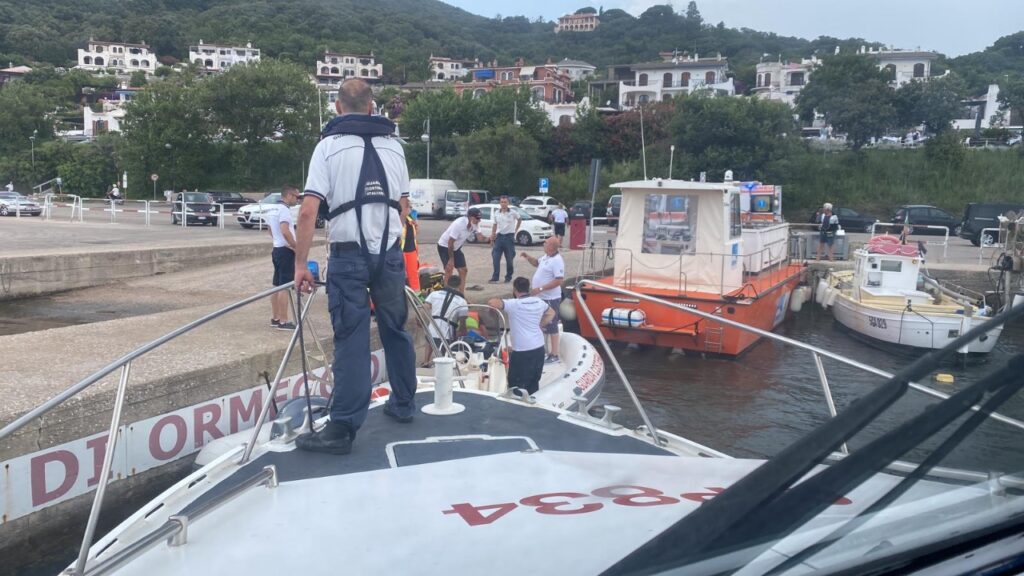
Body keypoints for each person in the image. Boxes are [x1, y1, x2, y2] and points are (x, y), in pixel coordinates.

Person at [292, 78, 417, 455]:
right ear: (372, 107)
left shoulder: (328, 147)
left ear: (337, 107)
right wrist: (387, 234)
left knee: (351, 338)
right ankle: (404, 404)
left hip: (348, 257)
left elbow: (308, 211)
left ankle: (342, 428)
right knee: (396, 329)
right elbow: (404, 205)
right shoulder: (395, 147)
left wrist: (300, 264)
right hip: (390, 255)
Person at [488, 277, 554, 394]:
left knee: (516, 386)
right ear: (528, 288)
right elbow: (551, 313)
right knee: (533, 383)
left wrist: (496, 304)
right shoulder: (539, 302)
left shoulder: (513, 304)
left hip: (522, 353)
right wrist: (540, 325)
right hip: (539, 348)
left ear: (514, 289)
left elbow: (492, 303)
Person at [521, 236, 565, 364]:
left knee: (552, 325)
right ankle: (544, 351)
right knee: (541, 324)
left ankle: (554, 354)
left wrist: (541, 288)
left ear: (551, 246)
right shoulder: (546, 257)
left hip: (550, 298)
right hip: (540, 298)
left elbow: (559, 280)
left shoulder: (557, 261)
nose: (543, 244)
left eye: (545, 243)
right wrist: (528, 257)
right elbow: (536, 263)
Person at [268, 185, 301, 331]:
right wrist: (294, 246)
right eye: (296, 196)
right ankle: (283, 321)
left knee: (276, 285)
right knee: (285, 287)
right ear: (288, 195)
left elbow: (270, 229)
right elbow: (285, 230)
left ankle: (275, 318)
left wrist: (278, 241)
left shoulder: (273, 209)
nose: (297, 199)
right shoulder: (284, 210)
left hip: (277, 249)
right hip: (286, 251)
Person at [437, 207, 483, 294]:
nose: (479, 220)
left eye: (479, 218)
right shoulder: (458, 224)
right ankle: (445, 293)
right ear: (471, 217)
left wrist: (490, 238)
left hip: (456, 247)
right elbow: (450, 243)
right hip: (444, 246)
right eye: (477, 218)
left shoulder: (475, 224)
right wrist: (451, 259)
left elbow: (480, 238)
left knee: (463, 270)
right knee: (449, 269)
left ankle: (461, 294)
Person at [423, 274, 468, 350]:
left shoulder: (434, 294)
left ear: (446, 282)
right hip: (447, 336)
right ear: (460, 285)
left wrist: (422, 323)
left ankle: (426, 358)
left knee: (431, 340)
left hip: (430, 332)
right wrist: (462, 333)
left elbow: (424, 308)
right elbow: (462, 325)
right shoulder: (462, 302)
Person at [489, 195, 521, 284]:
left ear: (508, 203)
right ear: (500, 203)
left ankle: (508, 277)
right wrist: (492, 236)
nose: (503, 204)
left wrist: (515, 230)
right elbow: (495, 225)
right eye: (502, 202)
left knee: (509, 259)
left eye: (505, 202)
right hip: (499, 237)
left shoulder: (513, 212)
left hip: (509, 237)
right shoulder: (496, 213)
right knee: (495, 258)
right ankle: (495, 277)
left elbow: (519, 219)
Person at [401, 206, 420, 291]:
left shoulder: (410, 219)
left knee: (414, 274)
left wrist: (415, 224)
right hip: (401, 250)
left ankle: (416, 294)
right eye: (408, 206)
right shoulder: (398, 219)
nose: (410, 208)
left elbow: (416, 232)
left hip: (411, 250)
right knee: (400, 275)